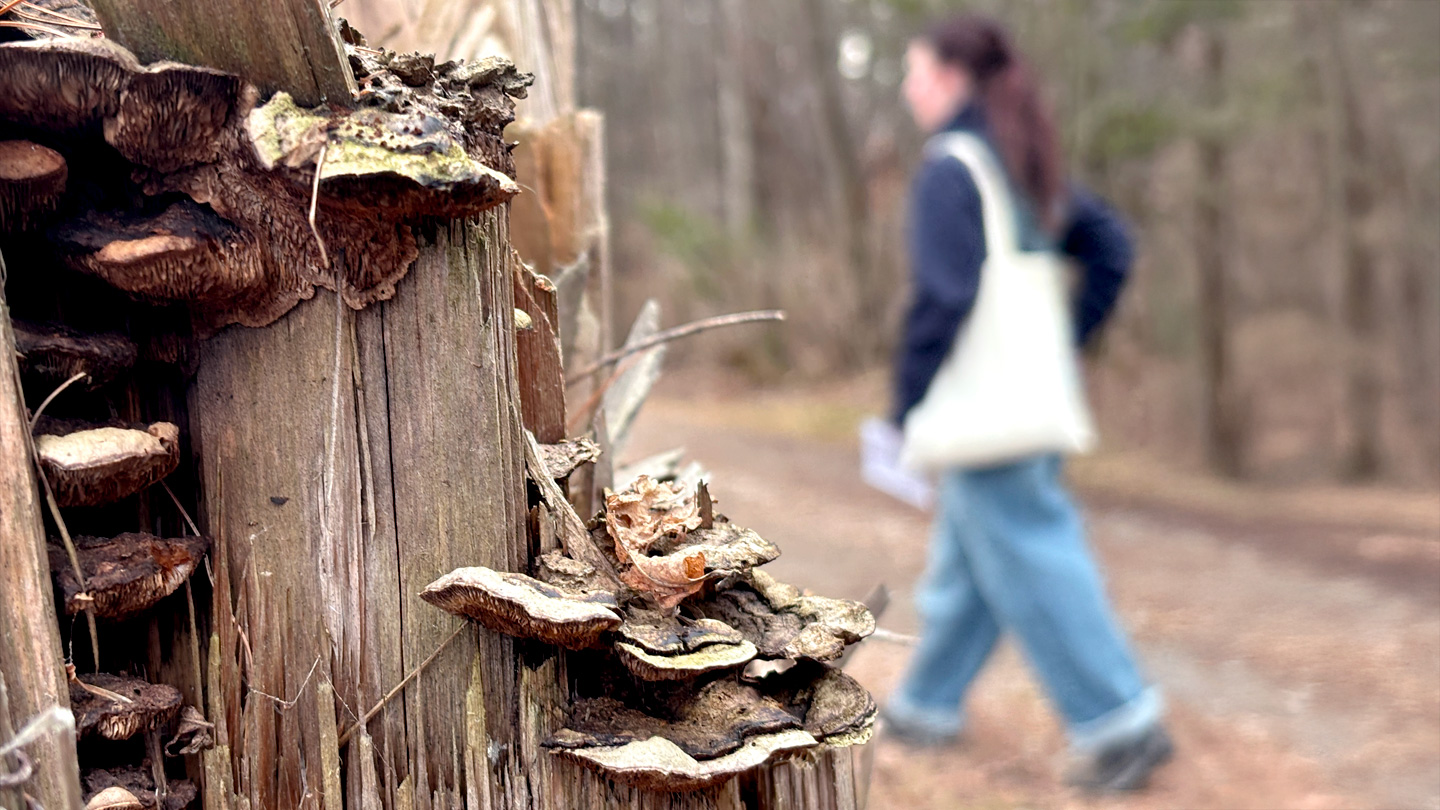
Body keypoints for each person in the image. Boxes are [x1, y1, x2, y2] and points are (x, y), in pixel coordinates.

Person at [884, 13, 1174, 793]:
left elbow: (942, 299)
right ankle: (925, 705)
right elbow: (1112, 247)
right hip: (1029, 403)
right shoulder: (1017, 163)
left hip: (989, 415)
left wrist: (903, 402)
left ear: (949, 78)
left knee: (1036, 559)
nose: (909, 89)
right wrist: (1066, 343)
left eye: (914, 73)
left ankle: (1121, 722)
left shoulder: (953, 169)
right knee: (973, 560)